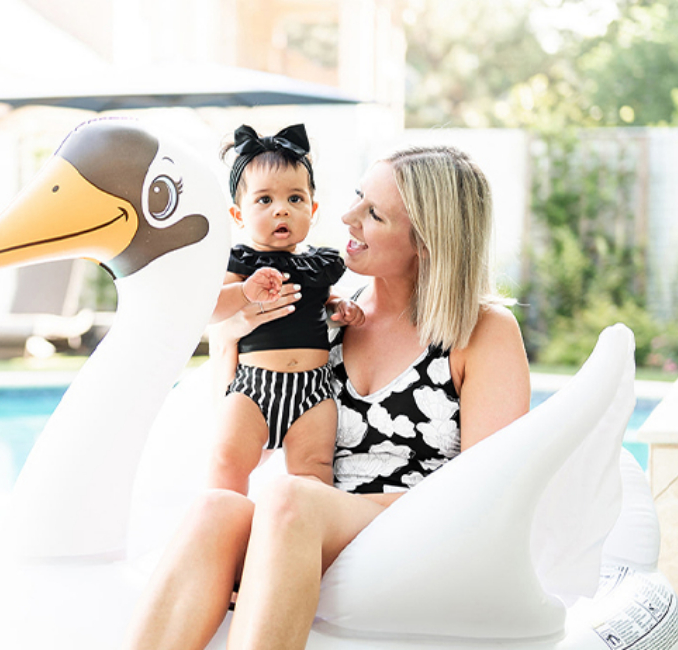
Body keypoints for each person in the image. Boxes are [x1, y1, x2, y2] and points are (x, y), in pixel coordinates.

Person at [123, 145, 530, 649]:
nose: (345, 217)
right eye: (358, 197)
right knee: (216, 509)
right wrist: (233, 335)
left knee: (292, 498)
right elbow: (245, 422)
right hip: (312, 519)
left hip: (417, 520)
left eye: (373, 213)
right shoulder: (328, 316)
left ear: (425, 242)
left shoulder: (482, 330)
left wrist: (314, 505)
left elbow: (493, 488)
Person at [208, 124, 363, 495]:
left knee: (313, 473)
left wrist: (340, 308)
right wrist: (245, 291)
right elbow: (212, 309)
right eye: (264, 200)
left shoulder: (318, 264)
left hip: (312, 390)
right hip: (255, 386)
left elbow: (321, 304)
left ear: (313, 209)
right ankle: (226, 528)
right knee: (227, 462)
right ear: (238, 215)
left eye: (295, 199)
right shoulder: (242, 261)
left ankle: (305, 535)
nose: (282, 210)